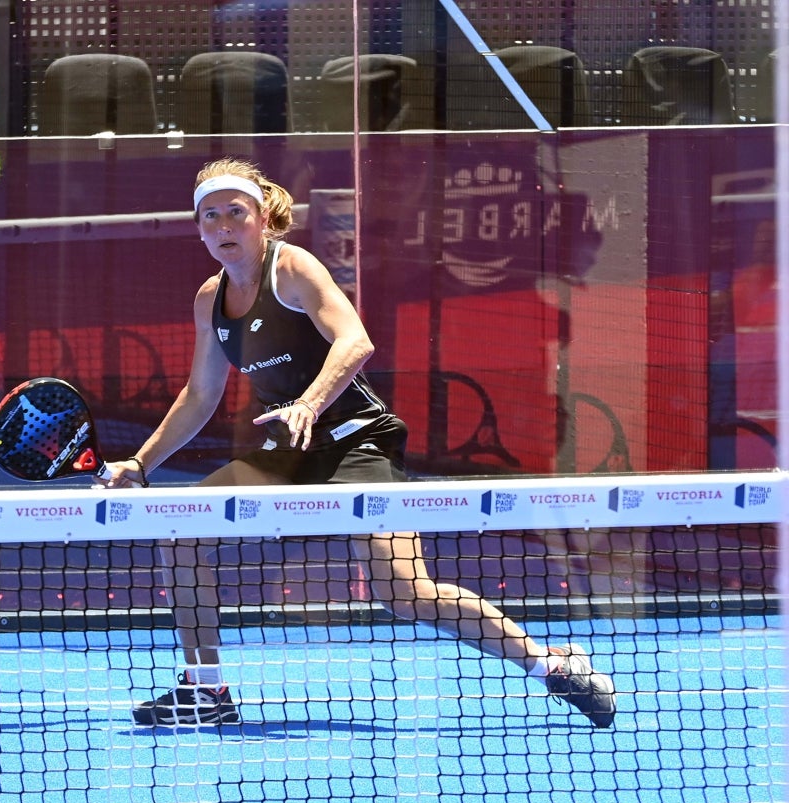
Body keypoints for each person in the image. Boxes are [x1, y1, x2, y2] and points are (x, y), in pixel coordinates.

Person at [99, 157, 617, 729]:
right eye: (210, 216)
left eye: (235, 214)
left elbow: (355, 342)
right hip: (290, 450)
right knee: (185, 530)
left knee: (405, 593)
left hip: (355, 442)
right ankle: (206, 690)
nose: (223, 226)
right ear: (198, 227)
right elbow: (200, 396)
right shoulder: (209, 300)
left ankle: (552, 664)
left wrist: (308, 403)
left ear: (263, 218)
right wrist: (141, 464)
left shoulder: (292, 267)